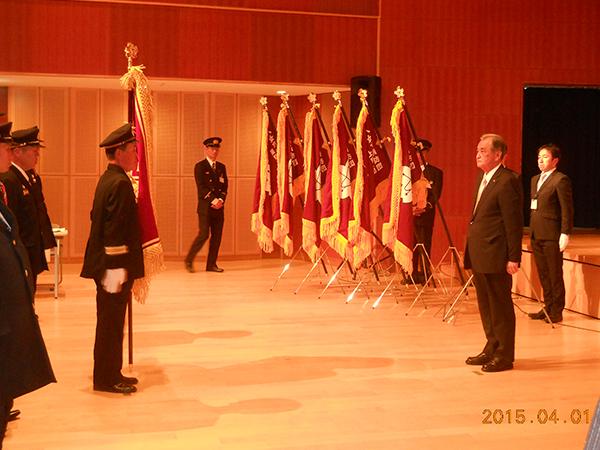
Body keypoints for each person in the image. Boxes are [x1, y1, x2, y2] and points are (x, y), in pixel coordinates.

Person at [0, 120, 56, 446]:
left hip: (26, 261)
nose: (36, 155)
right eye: (30, 150)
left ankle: (8, 391)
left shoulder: (27, 178)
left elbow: (36, 216)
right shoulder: (7, 181)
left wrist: (44, 247)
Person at [80, 123, 144, 395]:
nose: (136, 156)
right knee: (110, 323)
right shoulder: (119, 183)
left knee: (111, 321)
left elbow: (96, 216)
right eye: (132, 150)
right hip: (113, 267)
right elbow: (115, 231)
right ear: (119, 152)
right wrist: (117, 271)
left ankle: (111, 371)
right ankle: (106, 379)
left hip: (107, 265)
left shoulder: (108, 178)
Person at [464, 133, 523, 373]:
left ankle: (504, 355)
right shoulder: (483, 177)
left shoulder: (508, 180)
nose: (478, 154)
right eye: (477, 150)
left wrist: (513, 256)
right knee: (486, 305)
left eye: (483, 151)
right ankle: (492, 345)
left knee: (500, 306)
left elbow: (513, 222)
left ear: (498, 155)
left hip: (497, 253)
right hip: (480, 252)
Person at [0, 126, 53, 292]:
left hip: (30, 248)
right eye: (34, 152)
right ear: (18, 152)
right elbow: (12, 220)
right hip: (22, 248)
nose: (37, 156)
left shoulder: (31, 176)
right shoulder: (9, 180)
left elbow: (38, 210)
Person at [528, 144, 574, 324]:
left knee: (554, 274)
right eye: (539, 156)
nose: (540, 160)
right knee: (543, 274)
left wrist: (565, 232)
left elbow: (566, 209)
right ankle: (547, 307)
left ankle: (557, 310)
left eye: (545, 157)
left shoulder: (560, 180)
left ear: (555, 160)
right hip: (536, 233)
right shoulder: (534, 179)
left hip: (552, 234)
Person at [185, 136, 228, 273]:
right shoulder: (200, 166)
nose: (215, 151)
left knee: (217, 237)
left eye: (216, 149)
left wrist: (221, 200)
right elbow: (201, 187)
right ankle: (189, 260)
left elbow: (224, 187)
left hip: (219, 208)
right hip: (205, 208)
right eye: (212, 148)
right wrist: (214, 200)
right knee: (204, 234)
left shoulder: (221, 167)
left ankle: (211, 265)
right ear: (206, 149)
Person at [412, 139, 443, 284]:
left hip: (425, 215)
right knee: (410, 245)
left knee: (424, 244)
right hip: (410, 216)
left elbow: (436, 194)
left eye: (422, 152)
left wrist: (424, 207)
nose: (419, 155)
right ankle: (411, 274)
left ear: (426, 153)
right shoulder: (409, 172)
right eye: (417, 152)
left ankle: (425, 274)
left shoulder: (435, 173)